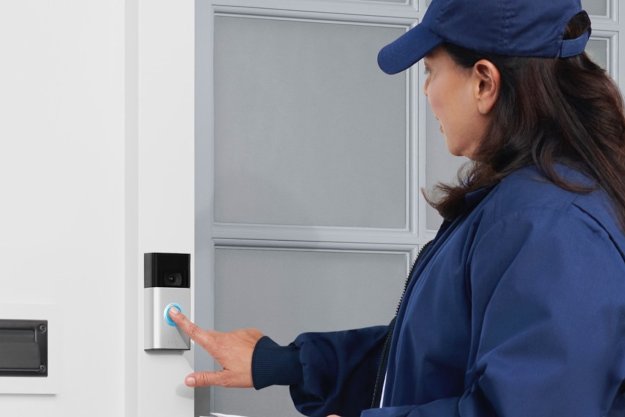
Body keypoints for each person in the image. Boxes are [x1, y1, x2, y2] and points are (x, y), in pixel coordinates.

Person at [169, 0, 625, 415]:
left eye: (430, 69)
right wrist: (285, 364)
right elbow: (431, 353)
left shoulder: (549, 227)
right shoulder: (525, 206)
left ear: (484, 82)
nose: (427, 91)